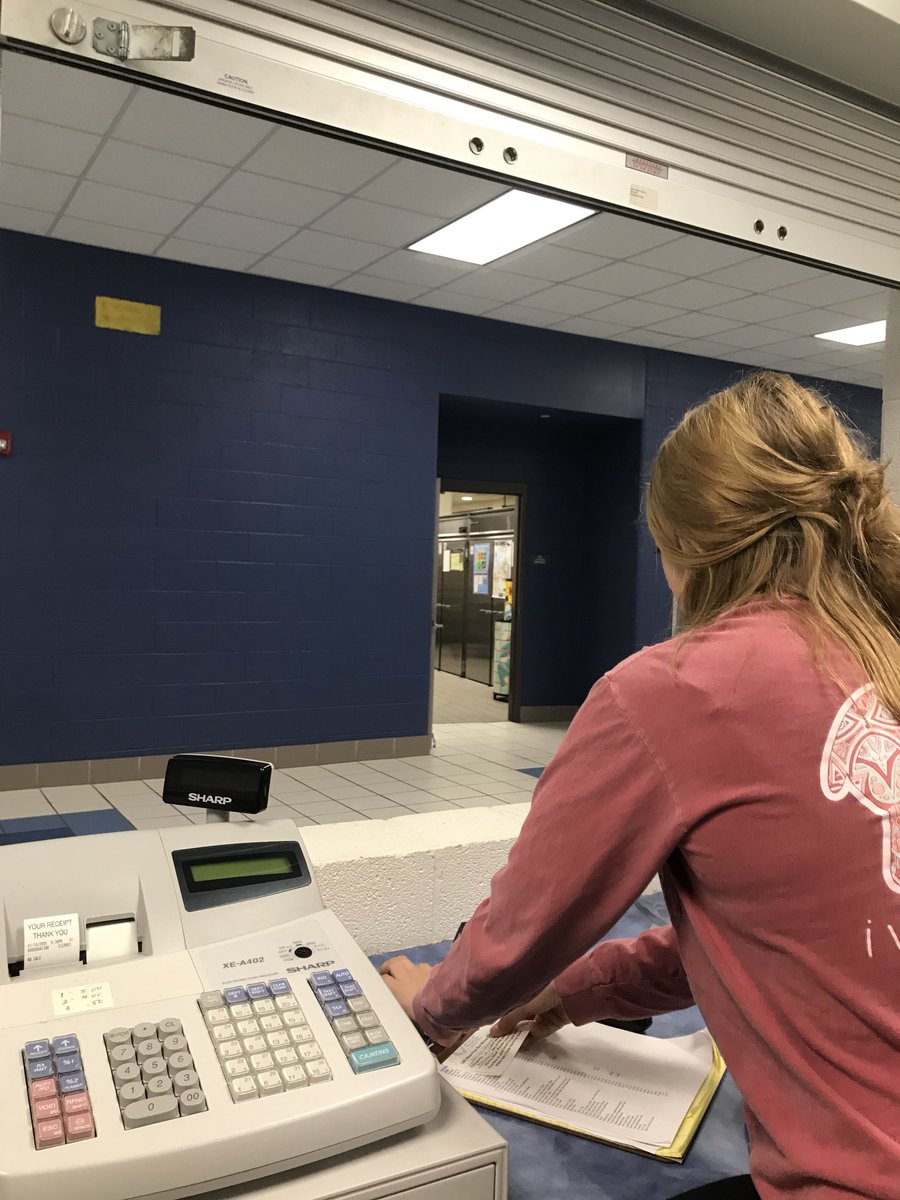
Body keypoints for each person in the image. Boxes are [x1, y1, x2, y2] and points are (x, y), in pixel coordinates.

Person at [380, 372, 900, 1200]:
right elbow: (793, 930)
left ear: (687, 546)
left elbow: (516, 933)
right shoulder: (881, 661)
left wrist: (428, 1015)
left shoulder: (676, 688)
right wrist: (580, 989)